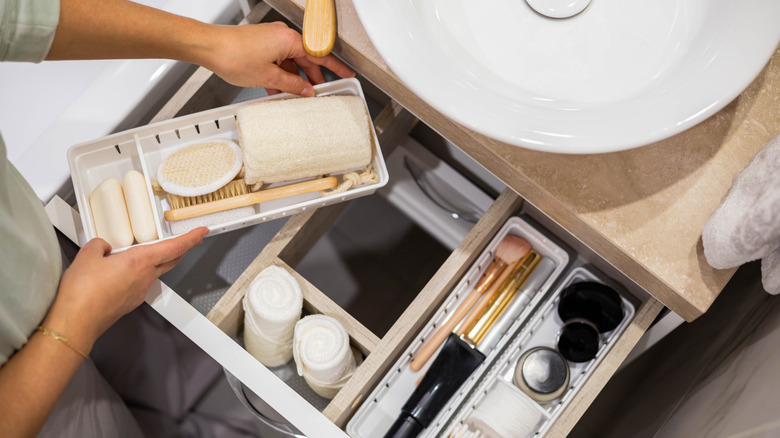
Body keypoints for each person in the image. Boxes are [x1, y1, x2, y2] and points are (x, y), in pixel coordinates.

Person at [0, 0, 355, 436]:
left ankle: (169, 399)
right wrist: (78, 319)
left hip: (50, 276)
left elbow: (17, 16)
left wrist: (213, 44)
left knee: (134, 362)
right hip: (35, 401)